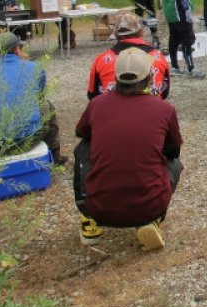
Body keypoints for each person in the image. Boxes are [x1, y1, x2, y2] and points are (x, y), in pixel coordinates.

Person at [74, 48, 184, 251]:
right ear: (149, 77)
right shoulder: (164, 109)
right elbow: (174, 151)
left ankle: (88, 219)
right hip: (149, 207)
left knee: (82, 148)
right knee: (175, 164)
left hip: (99, 207)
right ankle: (153, 219)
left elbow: (81, 133)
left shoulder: (97, 104)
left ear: (116, 77)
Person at [0, 32, 67, 165]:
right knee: (47, 106)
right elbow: (39, 97)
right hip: (26, 139)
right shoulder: (34, 68)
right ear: (17, 50)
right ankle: (54, 157)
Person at [87, 13, 171, 100]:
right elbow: (164, 93)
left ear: (116, 35)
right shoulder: (159, 58)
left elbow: (92, 95)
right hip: (152, 109)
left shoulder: (101, 59)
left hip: (113, 110)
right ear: (142, 33)